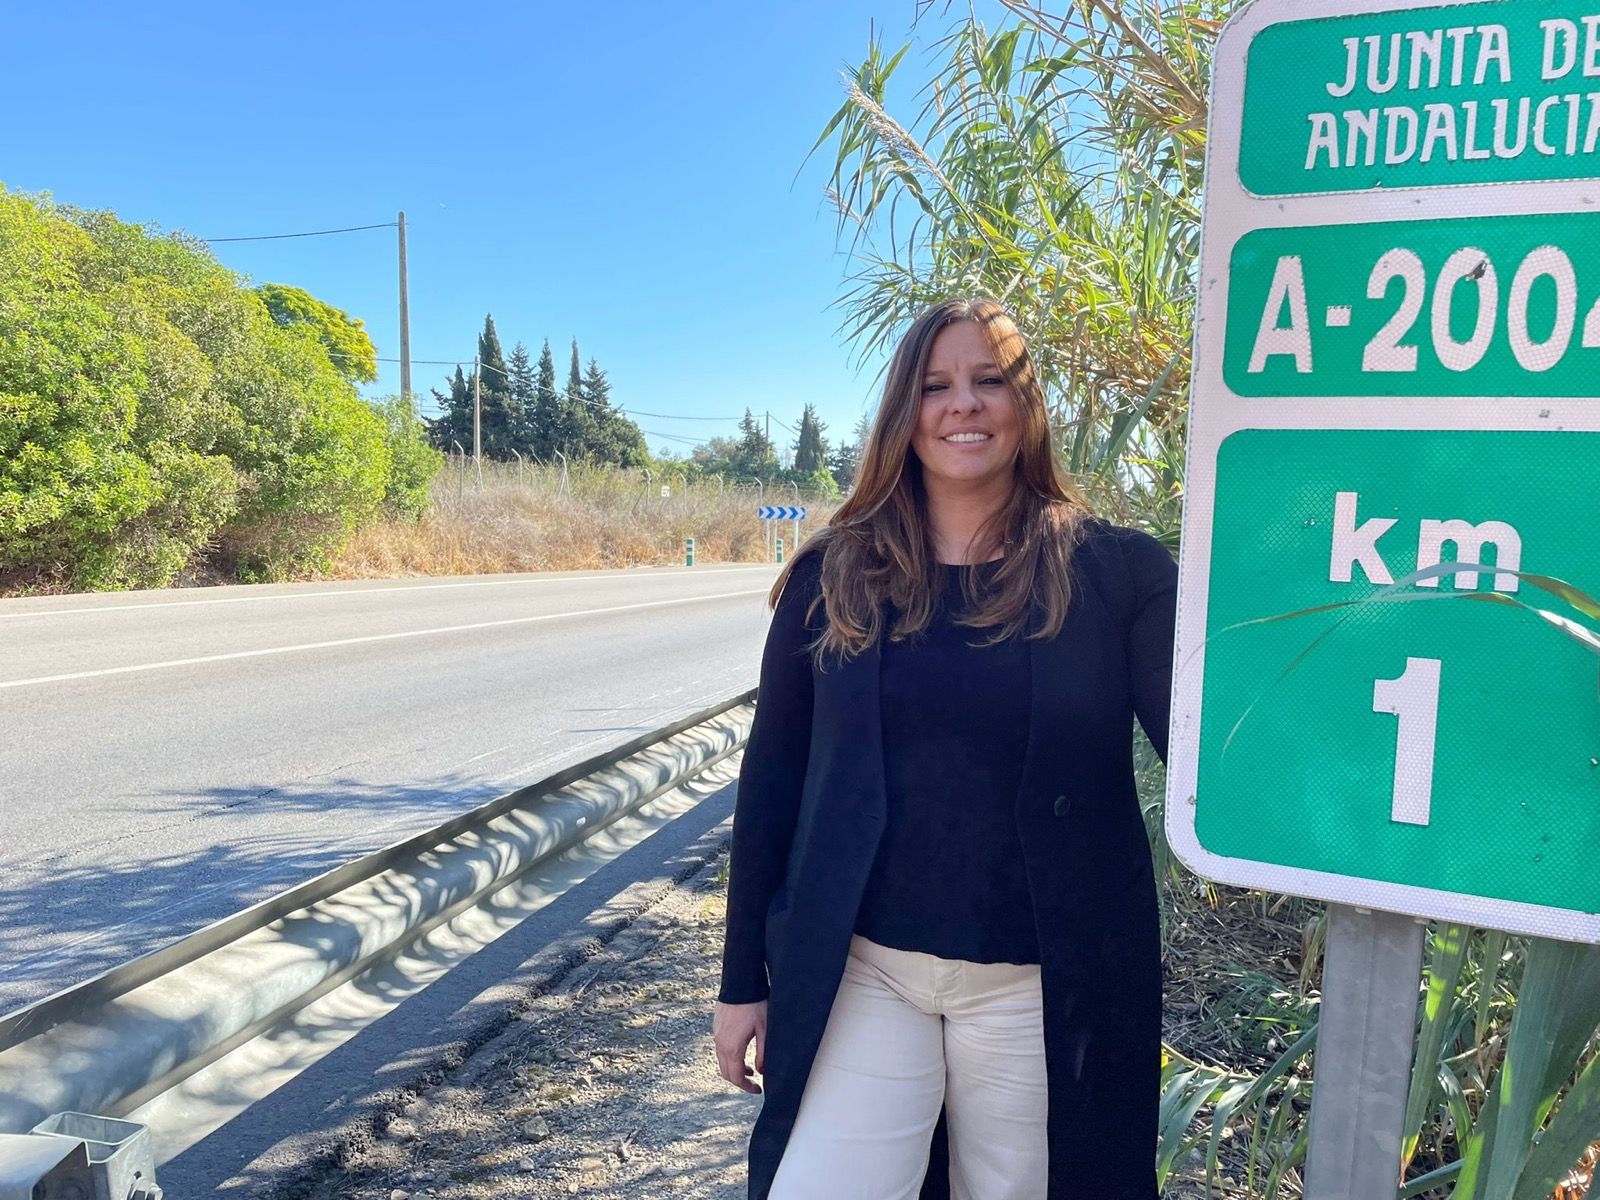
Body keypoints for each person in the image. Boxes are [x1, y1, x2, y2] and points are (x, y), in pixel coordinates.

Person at [712, 297, 1177, 1200]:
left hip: (1038, 988)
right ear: (903, 413)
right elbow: (770, 783)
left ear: (1027, 404)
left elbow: (1212, 755)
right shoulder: (832, 575)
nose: (963, 404)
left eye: (988, 380)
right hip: (867, 972)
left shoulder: (1116, 575)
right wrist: (742, 983)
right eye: (936, 386)